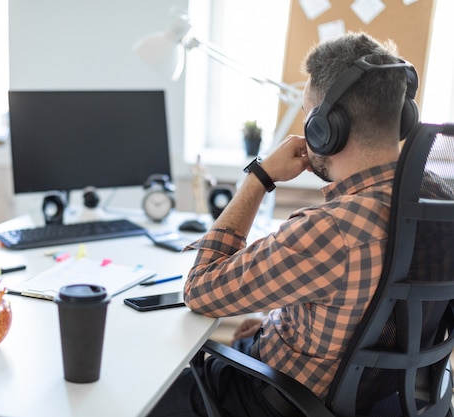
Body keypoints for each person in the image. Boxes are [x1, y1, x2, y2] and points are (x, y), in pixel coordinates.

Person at [148, 31, 416, 417]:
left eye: (310, 116)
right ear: (403, 117)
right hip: (377, 397)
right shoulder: (435, 198)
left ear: (326, 128)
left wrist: (258, 177)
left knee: (151, 391)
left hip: (277, 399)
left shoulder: (331, 230)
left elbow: (200, 291)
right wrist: (278, 318)